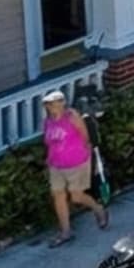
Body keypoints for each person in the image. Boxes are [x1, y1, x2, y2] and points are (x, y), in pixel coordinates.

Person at [41, 90, 108, 244]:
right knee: (58, 196)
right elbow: (48, 142)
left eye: (53, 103)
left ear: (61, 103)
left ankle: (98, 208)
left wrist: (84, 154)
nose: (50, 106)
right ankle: (66, 231)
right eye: (47, 104)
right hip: (56, 164)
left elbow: (85, 137)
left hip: (76, 162)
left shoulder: (72, 117)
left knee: (76, 196)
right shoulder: (48, 121)